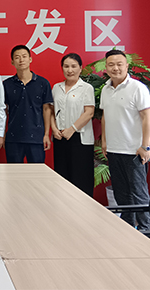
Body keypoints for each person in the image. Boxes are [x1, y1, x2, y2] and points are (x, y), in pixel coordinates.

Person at [100, 49, 150, 230]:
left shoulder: (138, 88)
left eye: (119, 64)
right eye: (111, 65)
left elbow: (147, 118)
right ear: (106, 67)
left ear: (127, 66)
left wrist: (145, 146)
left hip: (134, 151)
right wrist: (105, 141)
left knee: (139, 193)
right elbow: (105, 117)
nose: (115, 68)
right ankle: (128, 228)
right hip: (114, 149)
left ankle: (146, 230)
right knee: (121, 194)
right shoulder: (106, 89)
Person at [50, 53, 95, 196]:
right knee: (62, 177)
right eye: (66, 66)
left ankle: (83, 208)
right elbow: (51, 111)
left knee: (81, 178)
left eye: (74, 66)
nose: (70, 70)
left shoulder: (86, 88)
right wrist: (54, 128)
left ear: (80, 68)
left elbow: (89, 113)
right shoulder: (56, 87)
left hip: (80, 138)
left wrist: (72, 129)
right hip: (60, 136)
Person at [3, 45, 53, 163]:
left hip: (36, 137)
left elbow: (46, 109)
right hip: (14, 137)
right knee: (14, 172)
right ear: (12, 62)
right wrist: (2, 134)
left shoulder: (43, 83)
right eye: (17, 57)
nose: (21, 60)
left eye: (24, 56)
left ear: (30, 59)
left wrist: (46, 134)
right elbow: (3, 111)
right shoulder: (6, 84)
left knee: (37, 172)